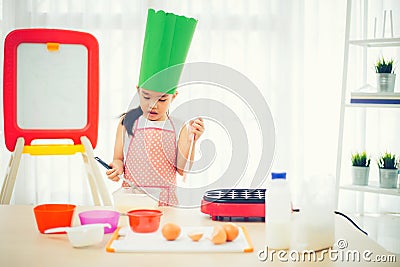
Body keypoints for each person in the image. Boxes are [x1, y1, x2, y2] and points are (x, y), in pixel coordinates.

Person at [105, 9, 203, 206]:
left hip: (164, 204)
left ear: (174, 97)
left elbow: (182, 168)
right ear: (138, 90)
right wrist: (115, 168)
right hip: (131, 202)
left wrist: (193, 139)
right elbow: (118, 159)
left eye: (162, 99)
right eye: (146, 96)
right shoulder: (127, 122)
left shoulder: (179, 127)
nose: (152, 105)